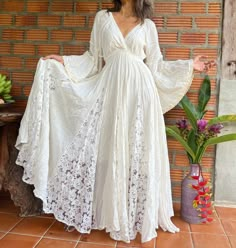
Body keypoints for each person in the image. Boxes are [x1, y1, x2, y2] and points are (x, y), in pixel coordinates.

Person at [15, 0, 215, 243]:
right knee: (110, 150)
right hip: (110, 91)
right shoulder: (103, 18)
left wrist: (189, 64)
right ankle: (113, 214)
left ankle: (135, 215)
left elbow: (156, 66)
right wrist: (64, 62)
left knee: (137, 152)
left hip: (141, 95)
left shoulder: (147, 25)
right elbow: (92, 59)